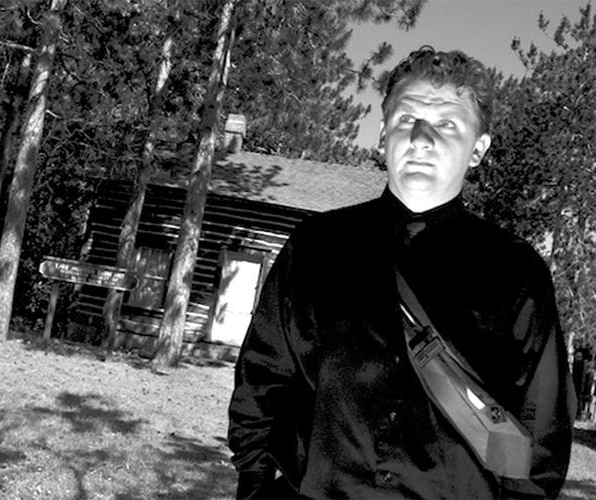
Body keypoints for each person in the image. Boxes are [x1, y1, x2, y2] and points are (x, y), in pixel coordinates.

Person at [228, 46, 576, 499]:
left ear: (478, 149)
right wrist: (255, 486)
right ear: (382, 134)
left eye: (447, 124)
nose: (421, 137)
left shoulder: (518, 272)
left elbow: (541, 428)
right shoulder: (315, 246)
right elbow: (262, 381)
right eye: (407, 118)